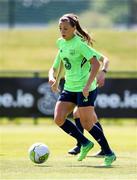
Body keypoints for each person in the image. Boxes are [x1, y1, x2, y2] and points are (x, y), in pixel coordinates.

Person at [49, 13, 116, 166]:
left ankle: (109, 153)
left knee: (87, 123)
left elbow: (96, 64)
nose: (62, 31)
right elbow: (61, 63)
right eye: (60, 28)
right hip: (69, 87)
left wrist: (88, 85)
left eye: (65, 28)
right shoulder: (61, 43)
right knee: (58, 118)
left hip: (85, 89)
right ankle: (84, 143)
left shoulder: (79, 44)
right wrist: (56, 79)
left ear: (73, 28)